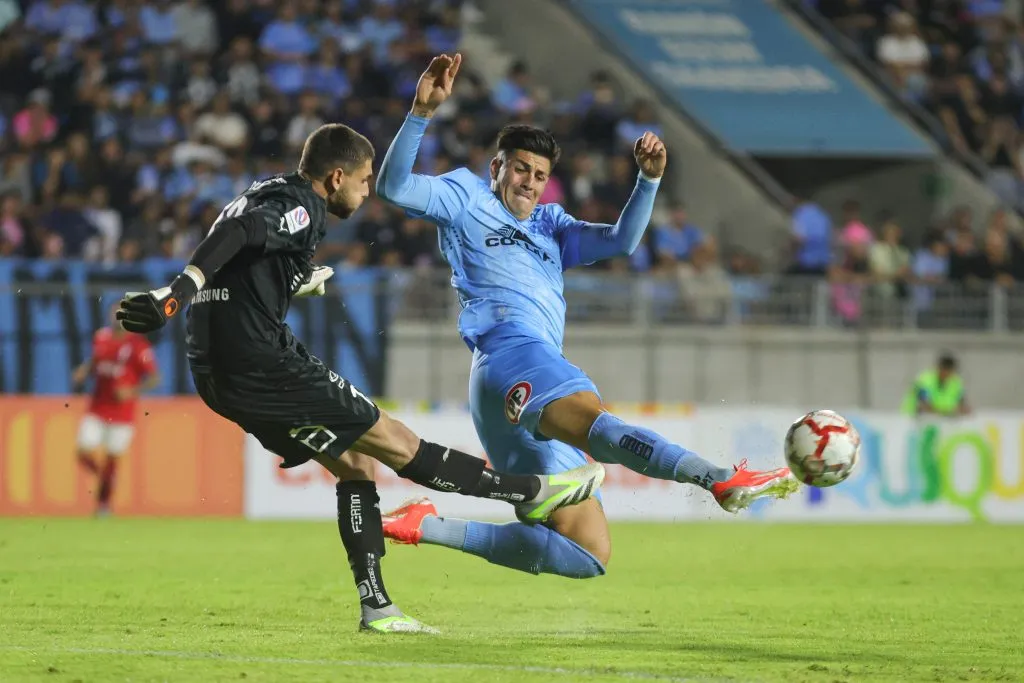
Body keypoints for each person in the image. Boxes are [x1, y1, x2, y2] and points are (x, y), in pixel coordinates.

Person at [114, 122, 605, 634]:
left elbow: (238, 247)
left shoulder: (261, 193)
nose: (369, 191)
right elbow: (239, 236)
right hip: (263, 363)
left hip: (216, 373)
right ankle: (530, 491)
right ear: (336, 176)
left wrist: (290, 281)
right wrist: (174, 294)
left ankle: (377, 607)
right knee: (395, 441)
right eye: (366, 180)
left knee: (354, 465)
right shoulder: (301, 207)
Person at [374, 54, 798, 582]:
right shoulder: (465, 195)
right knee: (596, 424)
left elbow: (622, 240)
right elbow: (393, 188)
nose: (530, 182)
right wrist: (419, 112)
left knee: (588, 555)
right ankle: (715, 478)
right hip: (511, 352)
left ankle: (425, 525)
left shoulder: (552, 225)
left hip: (507, 384)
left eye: (541, 174)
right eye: (521, 168)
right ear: (497, 167)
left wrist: (647, 181)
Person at [72, 303, 160, 517]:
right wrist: (84, 371)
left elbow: (155, 379)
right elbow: (96, 360)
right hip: (98, 408)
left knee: (112, 459)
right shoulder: (101, 337)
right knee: (83, 450)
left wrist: (131, 392)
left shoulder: (139, 346)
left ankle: (103, 507)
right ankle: (105, 480)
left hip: (122, 414)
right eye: (115, 313)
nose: (117, 317)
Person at [901, 352, 971, 416]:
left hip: (940, 422)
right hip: (913, 420)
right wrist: (945, 413)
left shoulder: (955, 382)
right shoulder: (925, 380)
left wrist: (962, 410)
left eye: (951, 371)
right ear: (939, 368)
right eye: (946, 371)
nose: (949, 375)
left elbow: (962, 405)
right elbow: (923, 405)